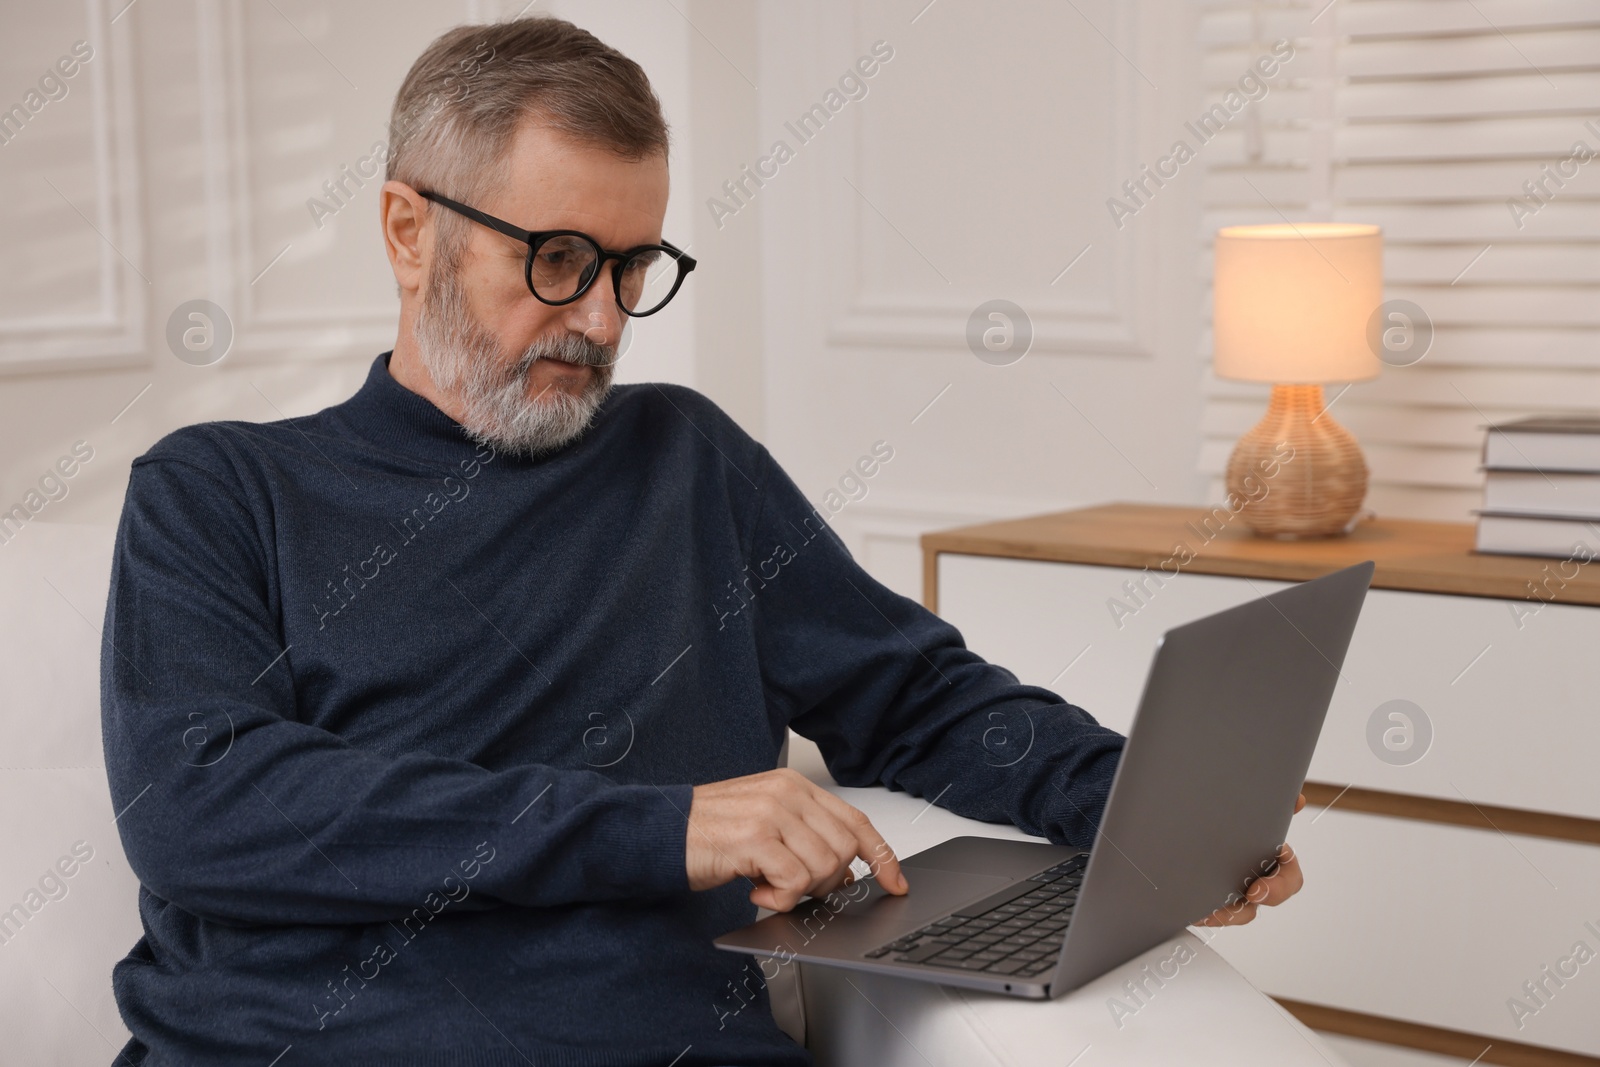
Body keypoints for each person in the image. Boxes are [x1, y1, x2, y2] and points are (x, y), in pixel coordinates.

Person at [100, 16, 1301, 1066]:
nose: (603, 317)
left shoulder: (682, 461)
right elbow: (198, 806)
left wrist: (1140, 803)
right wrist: (667, 825)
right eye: (559, 258)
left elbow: (915, 698)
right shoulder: (220, 490)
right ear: (410, 232)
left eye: (635, 266)